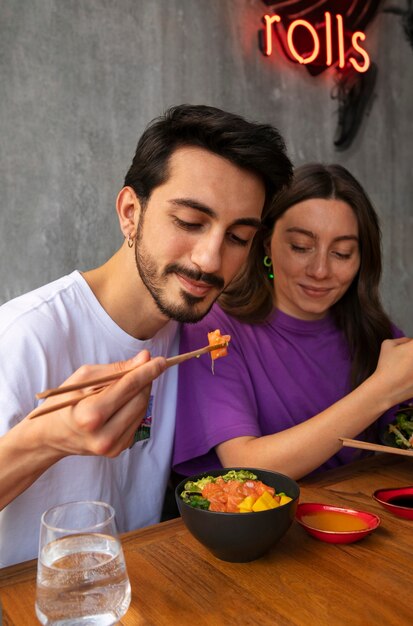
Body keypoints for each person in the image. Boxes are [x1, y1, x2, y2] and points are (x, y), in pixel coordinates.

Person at [0, 104, 292, 567]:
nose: (210, 259)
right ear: (131, 212)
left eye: (237, 237)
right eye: (191, 222)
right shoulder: (23, 336)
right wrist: (48, 440)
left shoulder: (197, 338)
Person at [173, 163, 413, 481]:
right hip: (261, 527)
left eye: (341, 253)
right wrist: (381, 390)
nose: (320, 270)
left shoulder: (374, 334)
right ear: (266, 241)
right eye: (301, 247)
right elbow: (245, 465)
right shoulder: (214, 331)